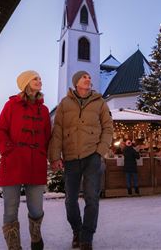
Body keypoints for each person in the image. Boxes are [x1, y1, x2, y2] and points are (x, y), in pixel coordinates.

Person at [48, 70, 113, 250]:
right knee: (70, 200)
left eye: (89, 78)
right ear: (76, 82)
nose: (88, 79)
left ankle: (86, 238)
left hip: (92, 155)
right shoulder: (65, 103)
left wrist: (100, 151)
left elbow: (108, 128)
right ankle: (77, 230)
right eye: (85, 77)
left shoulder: (99, 102)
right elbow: (57, 131)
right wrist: (54, 157)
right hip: (70, 157)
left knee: (92, 198)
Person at [0, 70, 51, 250]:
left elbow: (48, 137)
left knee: (36, 209)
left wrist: (48, 155)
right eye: (35, 78)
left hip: (36, 164)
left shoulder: (44, 110)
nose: (39, 81)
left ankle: (36, 237)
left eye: (40, 78)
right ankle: (14, 247)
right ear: (26, 82)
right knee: (10, 210)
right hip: (13, 163)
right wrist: (7, 150)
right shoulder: (11, 105)